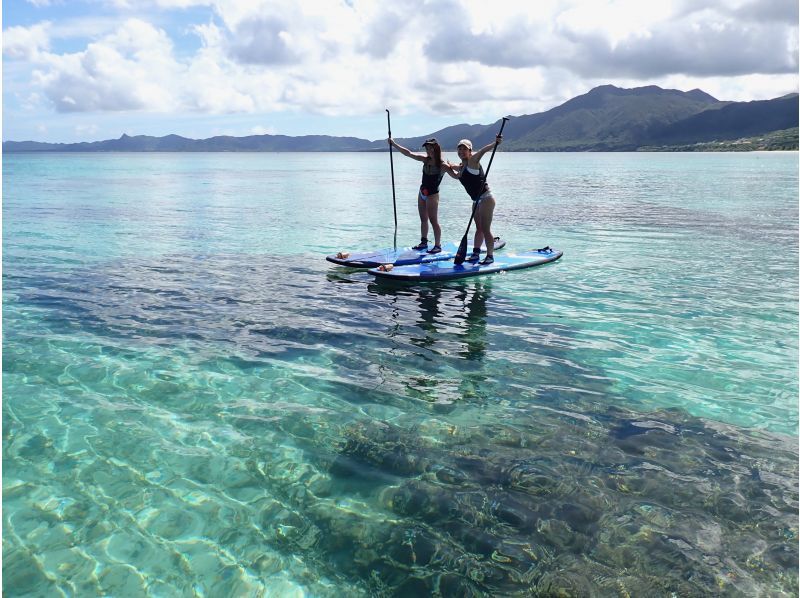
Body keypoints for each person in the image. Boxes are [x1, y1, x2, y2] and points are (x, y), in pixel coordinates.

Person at [445, 136, 502, 264]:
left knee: (486, 229)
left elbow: (482, 151)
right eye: (459, 150)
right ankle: (476, 254)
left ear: (470, 151)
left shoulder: (473, 161)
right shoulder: (462, 166)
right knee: (479, 228)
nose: (461, 152)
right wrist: (446, 165)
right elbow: (454, 167)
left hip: (486, 198)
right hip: (476, 200)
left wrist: (495, 143)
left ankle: (490, 256)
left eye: (464, 149)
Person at [387, 137, 446, 253]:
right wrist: (393, 144)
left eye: (431, 148)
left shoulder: (442, 165)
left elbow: (456, 174)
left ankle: (438, 245)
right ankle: (424, 242)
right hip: (422, 192)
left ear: (436, 148)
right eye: (427, 148)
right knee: (423, 219)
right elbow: (408, 153)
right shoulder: (425, 160)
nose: (429, 151)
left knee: (433, 221)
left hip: (432, 195)